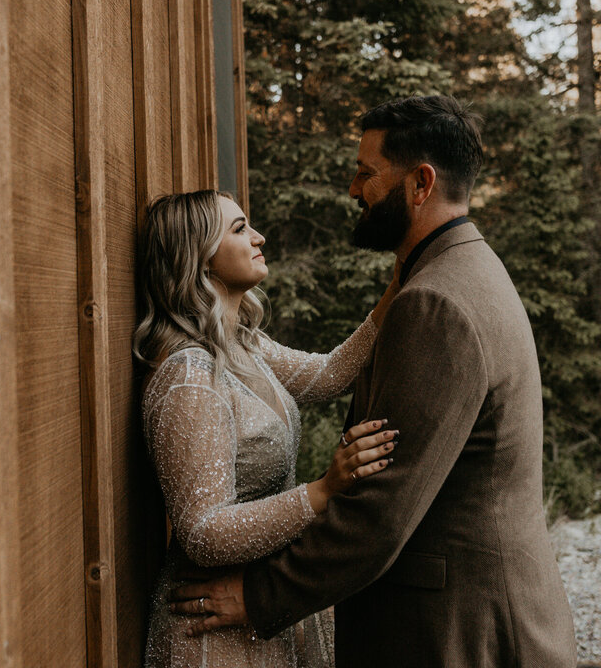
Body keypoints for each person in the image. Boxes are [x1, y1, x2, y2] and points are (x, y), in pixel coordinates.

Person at [169, 96, 577, 667]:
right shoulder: (462, 270)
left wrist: (261, 595)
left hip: (457, 632)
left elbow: (381, 510)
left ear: (420, 183)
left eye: (366, 173)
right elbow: (328, 373)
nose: (354, 189)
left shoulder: (435, 302)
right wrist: (394, 291)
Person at [134, 189, 402, 667]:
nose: (258, 237)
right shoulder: (188, 377)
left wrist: (401, 282)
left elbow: (327, 376)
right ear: (200, 258)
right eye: (239, 229)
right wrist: (323, 491)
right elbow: (202, 532)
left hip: (259, 606)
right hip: (210, 630)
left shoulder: (243, 344)